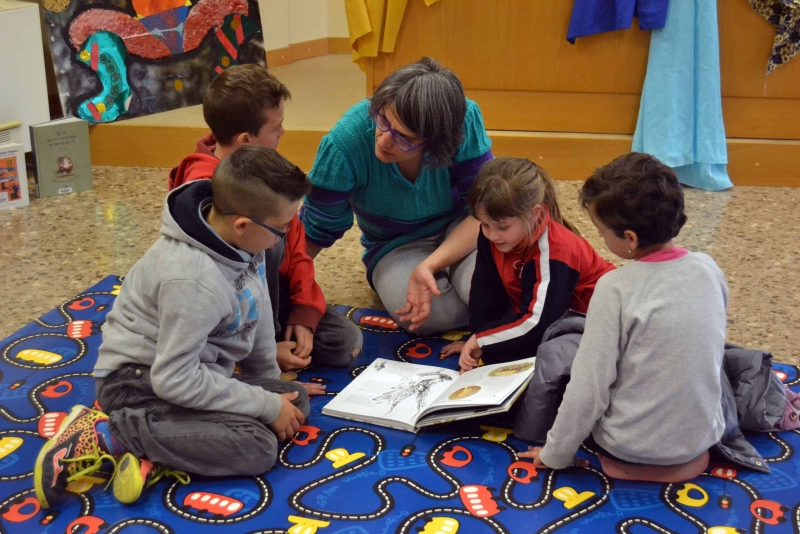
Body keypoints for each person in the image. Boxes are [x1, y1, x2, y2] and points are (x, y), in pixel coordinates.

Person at [34, 146, 323, 508]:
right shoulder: (194, 279)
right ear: (243, 225)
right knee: (258, 448)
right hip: (137, 384)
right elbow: (173, 379)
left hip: (187, 372)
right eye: (282, 228)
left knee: (293, 403)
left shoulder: (244, 240)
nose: (286, 235)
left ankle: (162, 449)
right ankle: (107, 434)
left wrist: (266, 385)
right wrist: (262, 404)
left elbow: (258, 313)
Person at [520, 153, 728, 483]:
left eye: (601, 233)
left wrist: (554, 454)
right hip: (698, 443)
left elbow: (588, 390)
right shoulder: (708, 268)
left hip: (627, 450)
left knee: (568, 350)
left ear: (629, 239)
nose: (600, 239)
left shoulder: (614, 287)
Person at [169, 63, 362, 371]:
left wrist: (303, 311)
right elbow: (213, 285)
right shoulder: (204, 189)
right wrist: (266, 351)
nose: (282, 133)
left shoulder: (263, 168)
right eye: (276, 128)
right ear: (246, 140)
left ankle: (269, 344)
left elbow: (296, 245)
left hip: (273, 292)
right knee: (268, 246)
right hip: (227, 306)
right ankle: (254, 355)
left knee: (344, 344)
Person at [300, 57, 493, 335]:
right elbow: (315, 229)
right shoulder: (343, 143)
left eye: (404, 138)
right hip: (395, 245)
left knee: (487, 291)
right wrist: (283, 289)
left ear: (437, 141)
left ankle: (473, 293)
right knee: (430, 317)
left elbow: (483, 209)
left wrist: (430, 264)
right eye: (382, 120)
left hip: (461, 229)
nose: (382, 140)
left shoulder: (464, 120)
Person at [442, 157, 615, 371]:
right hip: (545, 313)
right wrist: (478, 336)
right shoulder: (492, 233)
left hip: (589, 319)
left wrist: (484, 341)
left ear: (534, 214)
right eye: (484, 224)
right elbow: (485, 290)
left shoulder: (556, 250)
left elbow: (538, 323)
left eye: (503, 227)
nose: (492, 235)